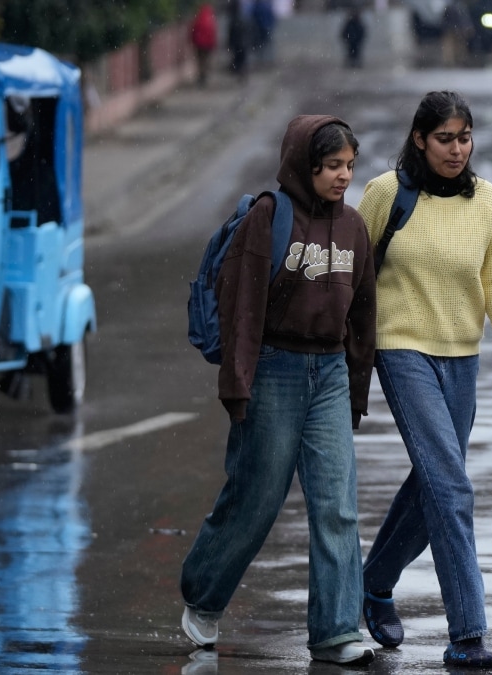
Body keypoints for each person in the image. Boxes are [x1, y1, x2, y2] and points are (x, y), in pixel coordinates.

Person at [355, 90, 492, 670]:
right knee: (452, 486)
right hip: (400, 347)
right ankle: (467, 632)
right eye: (445, 138)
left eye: (465, 137)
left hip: (462, 357)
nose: (457, 149)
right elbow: (351, 271)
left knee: (435, 483)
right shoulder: (385, 194)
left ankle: (374, 580)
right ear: (419, 139)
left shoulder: (487, 201)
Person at [179, 114, 377, 667]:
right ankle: (204, 592)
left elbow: (363, 315)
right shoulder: (269, 218)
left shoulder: (355, 229)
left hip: (330, 374)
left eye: (349, 167)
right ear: (305, 164)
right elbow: (243, 307)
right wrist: (237, 384)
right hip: (274, 368)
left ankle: (336, 631)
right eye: (333, 166)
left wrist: (357, 388)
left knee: (336, 505)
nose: (343, 176)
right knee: (257, 498)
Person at [189, 3, 218, 88]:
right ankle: (204, 76)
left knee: (200, 61)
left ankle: (201, 77)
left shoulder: (198, 18)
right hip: (207, 45)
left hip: (199, 44)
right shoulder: (210, 19)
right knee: (206, 61)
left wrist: (192, 41)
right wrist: (213, 44)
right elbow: (213, 33)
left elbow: (193, 30)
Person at [251, 0, 276, 66]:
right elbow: (272, 18)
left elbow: (254, 18)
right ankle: (267, 61)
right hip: (266, 28)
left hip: (260, 29)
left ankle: (262, 61)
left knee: (261, 46)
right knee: (266, 45)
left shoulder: (257, 6)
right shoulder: (266, 6)